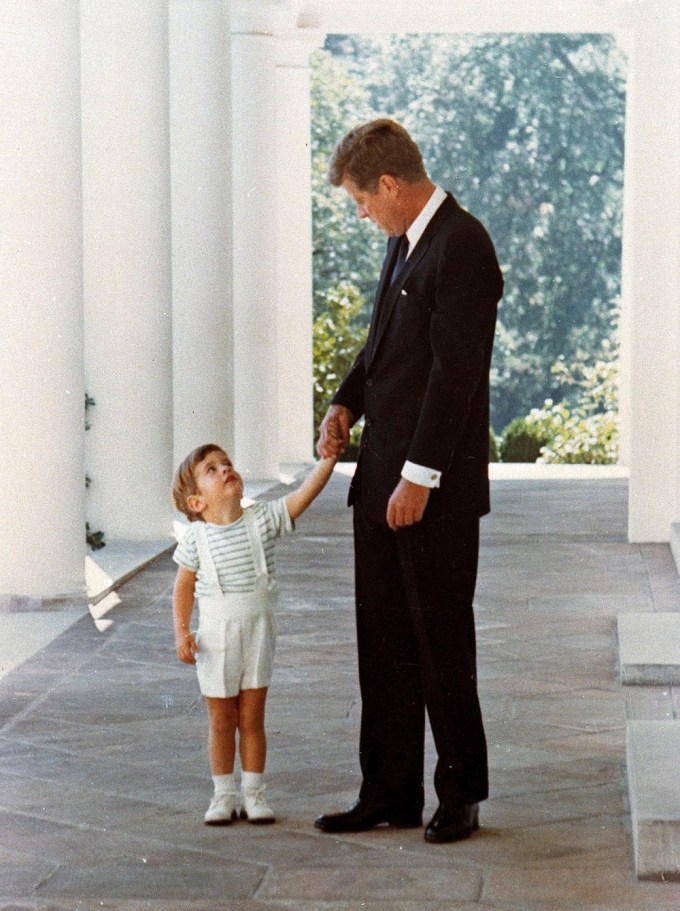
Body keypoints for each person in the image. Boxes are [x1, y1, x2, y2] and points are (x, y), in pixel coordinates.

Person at [315, 119, 504, 843]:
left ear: (391, 185)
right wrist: (344, 400)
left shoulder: (463, 246)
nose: (362, 215)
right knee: (383, 638)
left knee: (439, 639)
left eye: (363, 201)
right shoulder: (405, 242)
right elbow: (383, 348)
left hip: (433, 488)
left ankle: (460, 791)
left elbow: (456, 375)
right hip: (380, 478)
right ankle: (388, 790)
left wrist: (419, 476)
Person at [172, 444, 336, 826]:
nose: (225, 469)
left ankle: (254, 792)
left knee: (252, 716)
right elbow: (182, 588)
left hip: (258, 634)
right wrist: (182, 631)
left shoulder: (261, 520)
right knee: (220, 719)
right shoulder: (196, 539)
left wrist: (327, 460)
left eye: (227, 463)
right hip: (216, 639)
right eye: (211, 469)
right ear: (196, 502)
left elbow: (301, 497)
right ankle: (223, 794)